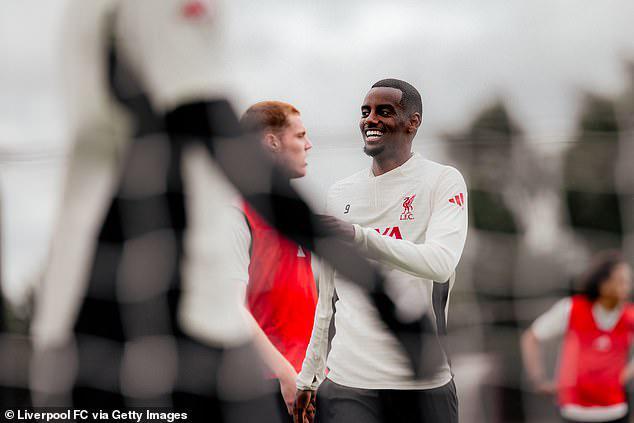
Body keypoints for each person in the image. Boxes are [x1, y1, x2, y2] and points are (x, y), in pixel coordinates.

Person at [294, 79, 468, 423]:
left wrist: (359, 237)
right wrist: (310, 375)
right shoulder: (340, 193)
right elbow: (326, 299)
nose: (370, 119)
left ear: (413, 122)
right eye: (365, 112)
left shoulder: (442, 180)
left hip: (423, 384)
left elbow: (441, 263)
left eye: (383, 112)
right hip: (348, 384)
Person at [232, 101, 317, 420]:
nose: (308, 145)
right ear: (272, 142)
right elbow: (231, 306)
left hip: (307, 380)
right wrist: (283, 373)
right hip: (268, 385)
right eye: (300, 135)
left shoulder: (293, 211)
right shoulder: (236, 210)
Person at [521, 250, 634, 423]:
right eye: (620, 281)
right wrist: (538, 378)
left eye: (628, 281)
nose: (626, 287)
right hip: (574, 411)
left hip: (614, 410)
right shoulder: (572, 308)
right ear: (603, 283)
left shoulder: (629, 316)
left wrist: (626, 373)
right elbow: (531, 337)